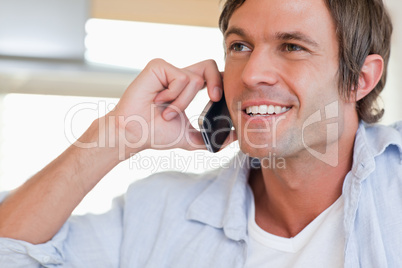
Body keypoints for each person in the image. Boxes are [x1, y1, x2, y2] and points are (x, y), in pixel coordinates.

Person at [0, 0, 400, 267]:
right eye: (240, 45)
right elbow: (10, 252)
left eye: (292, 46)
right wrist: (116, 133)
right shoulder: (158, 210)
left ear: (360, 79)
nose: (252, 74)